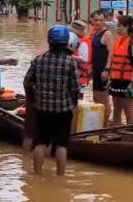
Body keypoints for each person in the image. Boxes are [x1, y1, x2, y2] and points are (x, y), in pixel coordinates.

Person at [24, 25, 80, 176]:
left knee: (40, 143)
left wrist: (36, 92)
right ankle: (60, 178)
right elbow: (75, 87)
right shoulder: (71, 63)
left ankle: (37, 175)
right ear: (65, 43)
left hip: (42, 109)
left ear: (49, 42)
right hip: (63, 110)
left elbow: (27, 82)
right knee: (62, 145)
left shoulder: (38, 60)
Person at [109, 16, 133, 125]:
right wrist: (110, 78)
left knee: (128, 112)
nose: (117, 28)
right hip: (116, 80)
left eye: (119, 26)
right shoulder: (119, 39)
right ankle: (115, 131)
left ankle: (130, 135)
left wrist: (132, 83)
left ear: (127, 27)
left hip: (127, 82)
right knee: (116, 111)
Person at [91, 10, 113, 127]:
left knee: (103, 100)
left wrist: (107, 70)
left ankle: (104, 127)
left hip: (103, 71)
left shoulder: (107, 34)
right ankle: (102, 123)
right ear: (92, 20)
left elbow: (111, 53)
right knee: (96, 98)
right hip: (96, 71)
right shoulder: (95, 34)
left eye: (101, 20)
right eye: (96, 20)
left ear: (104, 21)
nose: (98, 22)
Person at [68, 20, 92, 98]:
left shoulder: (84, 43)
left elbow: (84, 59)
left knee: (77, 98)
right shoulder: (72, 40)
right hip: (73, 75)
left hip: (80, 77)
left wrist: (69, 56)